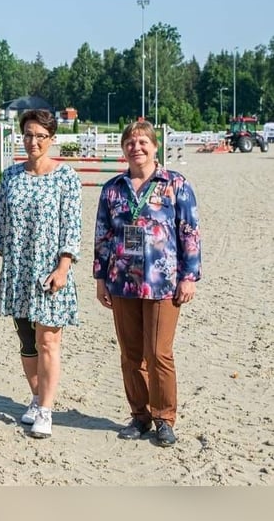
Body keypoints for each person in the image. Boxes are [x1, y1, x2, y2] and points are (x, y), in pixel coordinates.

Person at [93, 120, 201, 448]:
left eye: (143, 142)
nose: (136, 148)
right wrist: (100, 277)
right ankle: (139, 415)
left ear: (155, 147)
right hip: (121, 281)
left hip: (163, 282)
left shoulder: (175, 184)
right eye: (130, 143)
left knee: (158, 353)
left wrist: (189, 276)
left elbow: (189, 232)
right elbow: (103, 234)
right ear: (123, 148)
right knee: (130, 353)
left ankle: (164, 418)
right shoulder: (112, 189)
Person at [0, 109, 82, 439]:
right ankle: (37, 398)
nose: (33, 141)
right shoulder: (10, 176)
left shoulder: (67, 177)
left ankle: (47, 411)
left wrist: (64, 268)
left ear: (51, 139)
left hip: (50, 270)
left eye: (40, 135)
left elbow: (72, 228)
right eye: (27, 134)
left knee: (48, 341)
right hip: (18, 270)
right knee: (27, 342)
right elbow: (1, 224)